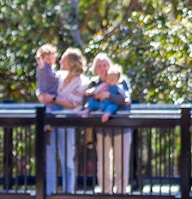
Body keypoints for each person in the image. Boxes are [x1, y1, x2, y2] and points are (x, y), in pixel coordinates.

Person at [38, 48, 85, 195]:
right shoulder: (58, 75)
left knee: (66, 157)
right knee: (50, 156)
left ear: (71, 62)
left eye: (63, 59)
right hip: (51, 121)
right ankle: (50, 192)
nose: (59, 62)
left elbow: (75, 104)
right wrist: (42, 96)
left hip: (67, 121)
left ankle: (68, 192)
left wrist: (53, 99)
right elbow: (44, 86)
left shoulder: (82, 81)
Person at [85, 53, 132, 194]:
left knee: (121, 162)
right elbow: (85, 101)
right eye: (99, 65)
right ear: (95, 68)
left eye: (104, 65)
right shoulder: (94, 83)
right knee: (104, 163)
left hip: (121, 127)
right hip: (102, 129)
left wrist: (108, 96)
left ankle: (121, 193)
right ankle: (105, 193)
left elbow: (126, 102)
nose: (102, 68)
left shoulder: (121, 81)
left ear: (109, 66)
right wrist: (97, 94)